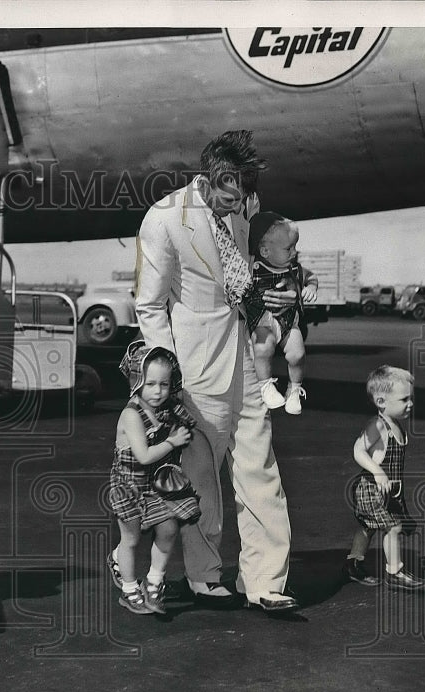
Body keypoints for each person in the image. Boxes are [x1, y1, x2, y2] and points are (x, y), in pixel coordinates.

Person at [134, 129, 299, 612]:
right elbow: (149, 304)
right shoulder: (164, 220)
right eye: (228, 199)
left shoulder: (243, 207)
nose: (236, 208)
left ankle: (266, 582)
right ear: (206, 182)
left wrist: (281, 296)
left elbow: (253, 268)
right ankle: (205, 576)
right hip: (196, 367)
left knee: (260, 469)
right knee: (201, 479)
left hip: (248, 358)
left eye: (243, 198)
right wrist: (165, 379)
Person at [107, 341, 201, 615]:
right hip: (129, 487)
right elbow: (145, 455)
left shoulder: (165, 407)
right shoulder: (131, 415)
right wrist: (172, 441)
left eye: (164, 383)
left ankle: (154, 581)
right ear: (136, 382)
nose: (158, 391)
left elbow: (189, 423)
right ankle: (128, 588)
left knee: (169, 528)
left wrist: (182, 421)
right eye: (150, 384)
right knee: (131, 539)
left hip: (154, 485)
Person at [345, 365, 425, 590]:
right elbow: (358, 450)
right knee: (394, 527)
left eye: (411, 398)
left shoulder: (396, 426)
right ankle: (395, 571)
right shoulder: (378, 425)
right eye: (403, 399)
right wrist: (378, 471)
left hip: (389, 491)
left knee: (368, 527)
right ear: (382, 402)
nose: (410, 403)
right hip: (371, 488)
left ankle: (353, 563)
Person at [243, 212, 319, 414]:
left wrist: (310, 288)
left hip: (288, 323)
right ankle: (266, 385)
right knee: (262, 349)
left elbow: (311, 277)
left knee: (298, 354)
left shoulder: (293, 269)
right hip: (262, 322)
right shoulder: (253, 268)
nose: (294, 252)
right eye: (288, 248)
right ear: (265, 251)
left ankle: (294, 389)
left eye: (295, 246)